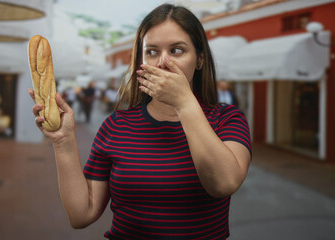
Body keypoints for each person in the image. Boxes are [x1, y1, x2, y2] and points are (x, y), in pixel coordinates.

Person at [29, 4, 251, 239]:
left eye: (177, 50)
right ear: (141, 61)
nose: (163, 62)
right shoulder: (116, 126)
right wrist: (63, 142)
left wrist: (184, 103)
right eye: (152, 52)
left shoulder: (227, 119)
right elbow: (81, 215)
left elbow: (224, 184)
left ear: (199, 60)